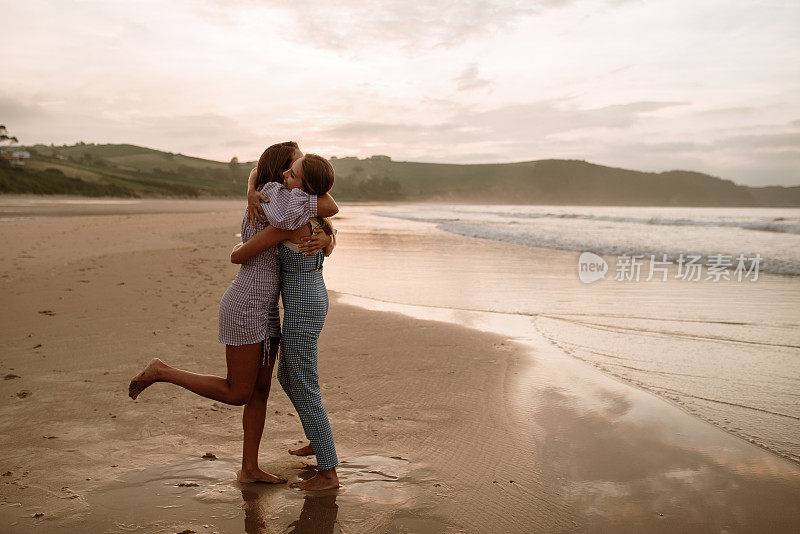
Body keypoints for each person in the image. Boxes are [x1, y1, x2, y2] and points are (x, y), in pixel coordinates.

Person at [127, 142, 338, 485]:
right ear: (279, 176)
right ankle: (162, 371)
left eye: (296, 170)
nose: (292, 173)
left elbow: (324, 209)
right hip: (246, 304)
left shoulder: (284, 204)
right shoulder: (279, 211)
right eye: (290, 167)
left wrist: (328, 239)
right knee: (239, 392)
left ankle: (249, 469)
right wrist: (254, 200)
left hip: (267, 305)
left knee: (260, 391)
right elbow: (240, 255)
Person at [231, 153, 340, 490]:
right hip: (308, 303)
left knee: (303, 383)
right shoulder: (304, 211)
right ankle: (316, 438)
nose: (284, 178)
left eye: (292, 176)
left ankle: (328, 472)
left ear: (304, 191)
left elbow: (239, 255)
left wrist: (246, 239)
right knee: (289, 378)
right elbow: (261, 174)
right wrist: (252, 187)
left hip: (303, 309)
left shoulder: (290, 221)